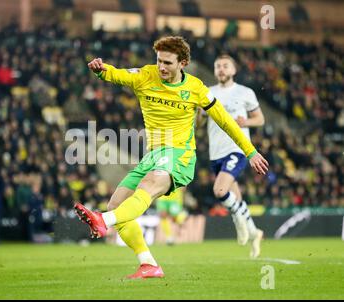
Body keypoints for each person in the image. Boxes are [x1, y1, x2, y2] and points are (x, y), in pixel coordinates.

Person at [74, 36, 269, 279]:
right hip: (152, 156)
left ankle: (103, 220)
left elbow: (226, 121)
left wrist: (250, 151)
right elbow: (118, 74)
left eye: (167, 62)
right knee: (116, 204)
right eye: (159, 61)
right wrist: (101, 70)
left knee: (147, 185)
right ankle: (148, 263)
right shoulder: (146, 75)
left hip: (179, 155)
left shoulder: (196, 88)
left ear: (183, 63)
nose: (162, 67)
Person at [203, 54, 265, 258]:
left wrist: (245, 123)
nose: (221, 69)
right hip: (216, 152)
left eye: (225, 66)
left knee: (220, 191)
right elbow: (199, 122)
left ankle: (238, 219)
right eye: (217, 66)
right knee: (236, 198)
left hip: (237, 149)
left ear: (233, 70)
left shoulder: (245, 92)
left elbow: (260, 119)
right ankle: (255, 233)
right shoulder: (208, 93)